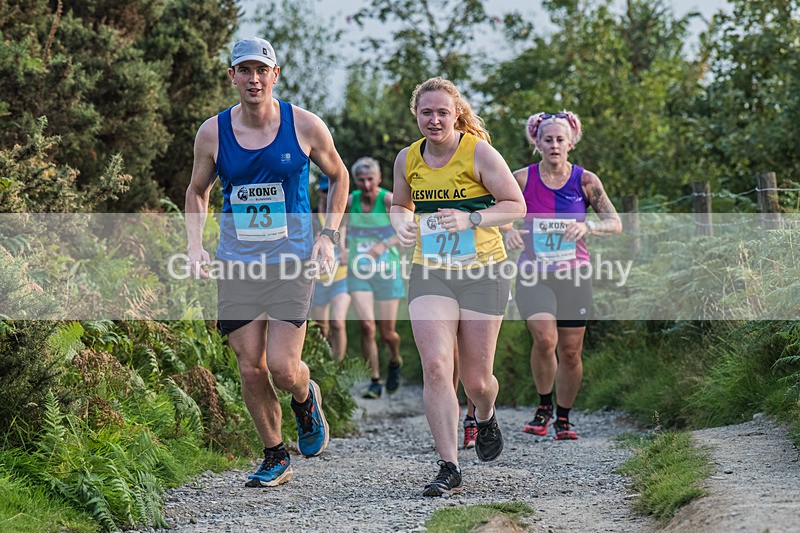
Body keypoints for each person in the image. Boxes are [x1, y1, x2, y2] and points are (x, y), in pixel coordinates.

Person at [184, 37, 349, 487]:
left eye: (262, 70)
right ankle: (275, 455)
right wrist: (195, 245)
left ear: (275, 75)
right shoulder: (213, 132)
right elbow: (197, 191)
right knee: (249, 365)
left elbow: (340, 176)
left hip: (292, 260)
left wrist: (329, 237)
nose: (253, 78)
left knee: (281, 366)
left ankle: (304, 395)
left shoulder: (305, 126)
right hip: (237, 262)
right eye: (245, 70)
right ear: (232, 76)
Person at [390, 77, 525, 497]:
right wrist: (400, 222)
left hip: (483, 270)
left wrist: (471, 218)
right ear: (416, 115)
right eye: (426, 112)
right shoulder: (407, 158)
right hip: (431, 270)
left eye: (442, 112)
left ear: (456, 114)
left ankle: (484, 415)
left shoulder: (478, 152)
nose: (433, 120)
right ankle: (449, 465)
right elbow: (400, 204)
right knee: (435, 366)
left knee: (477, 380)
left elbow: (516, 204)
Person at [507, 111, 621, 440]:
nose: (554, 145)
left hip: (574, 274)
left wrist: (588, 226)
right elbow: (496, 212)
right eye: (548, 139)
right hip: (533, 273)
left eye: (560, 139)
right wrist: (507, 230)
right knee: (545, 339)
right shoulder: (521, 180)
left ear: (570, 143)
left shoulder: (586, 181)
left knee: (571, 351)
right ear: (537, 143)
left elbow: (615, 222)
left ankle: (564, 417)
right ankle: (544, 406)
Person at [346, 156, 405, 398]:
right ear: (355, 181)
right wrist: (339, 246)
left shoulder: (389, 200)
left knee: (386, 332)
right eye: (361, 180)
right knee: (367, 326)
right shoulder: (351, 202)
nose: (366, 185)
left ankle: (395, 360)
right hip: (359, 271)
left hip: (387, 271)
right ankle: (374, 380)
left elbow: (406, 231)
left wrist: (384, 245)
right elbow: (339, 227)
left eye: (370, 179)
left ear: (379, 178)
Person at [310, 175, 350, 362]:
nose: (328, 194)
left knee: (338, 323)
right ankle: (324, 365)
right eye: (325, 190)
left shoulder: (343, 218)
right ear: (319, 191)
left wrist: (347, 252)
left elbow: (351, 245)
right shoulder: (310, 217)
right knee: (321, 328)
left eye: (331, 190)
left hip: (340, 278)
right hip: (318, 280)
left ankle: (337, 368)